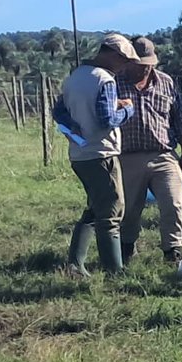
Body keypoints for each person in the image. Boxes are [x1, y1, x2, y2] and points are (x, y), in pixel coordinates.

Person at [53, 33, 142, 275]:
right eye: (124, 60)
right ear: (113, 55)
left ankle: (75, 264)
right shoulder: (105, 80)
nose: (124, 67)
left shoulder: (74, 77)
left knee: (95, 207)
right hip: (102, 152)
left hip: (79, 153)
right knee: (112, 210)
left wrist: (72, 125)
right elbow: (107, 119)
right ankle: (114, 270)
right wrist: (128, 109)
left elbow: (58, 111)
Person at [115, 37, 182, 264]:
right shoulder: (114, 83)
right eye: (139, 64)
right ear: (128, 61)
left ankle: (173, 251)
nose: (145, 68)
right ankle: (126, 248)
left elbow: (181, 121)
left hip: (164, 154)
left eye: (149, 64)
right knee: (129, 209)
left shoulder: (166, 82)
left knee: (173, 203)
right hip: (127, 156)